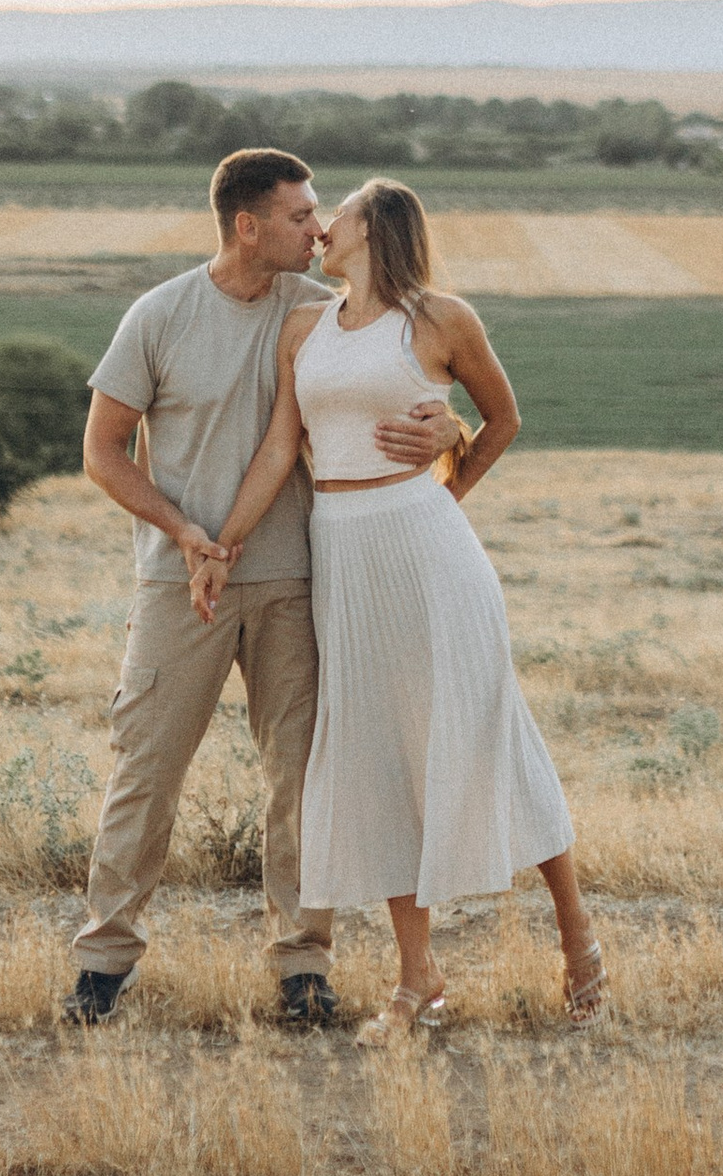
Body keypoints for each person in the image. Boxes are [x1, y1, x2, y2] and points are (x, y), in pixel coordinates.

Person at [201, 177, 603, 1037]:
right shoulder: (305, 328)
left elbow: (502, 420)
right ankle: (418, 978)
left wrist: (446, 484)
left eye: (336, 214)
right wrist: (222, 545)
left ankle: (578, 937)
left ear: (374, 228)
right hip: (342, 552)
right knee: (377, 754)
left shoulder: (441, 319)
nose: (321, 228)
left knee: (491, 737)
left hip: (428, 550)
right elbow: (281, 447)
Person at [69, 146, 459, 1029]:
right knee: (146, 768)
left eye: (320, 213)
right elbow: (101, 453)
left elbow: (411, 383)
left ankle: (304, 965)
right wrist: (183, 533)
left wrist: (451, 428)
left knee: (302, 776)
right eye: (298, 214)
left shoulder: (324, 313)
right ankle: (103, 963)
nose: (318, 228)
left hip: (295, 578)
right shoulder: (159, 316)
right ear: (247, 226)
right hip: (179, 583)